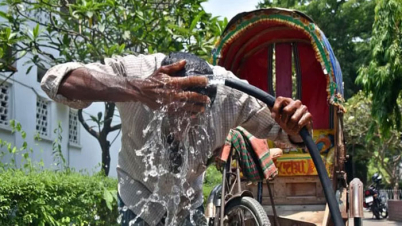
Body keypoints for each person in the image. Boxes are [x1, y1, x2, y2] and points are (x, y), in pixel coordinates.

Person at [41, 52, 312, 226]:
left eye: (193, 120)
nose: (181, 132)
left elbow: (287, 132)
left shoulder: (230, 94)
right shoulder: (137, 74)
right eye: (174, 118)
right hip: (137, 197)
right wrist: (135, 90)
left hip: (188, 201)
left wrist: (294, 122)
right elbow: (54, 80)